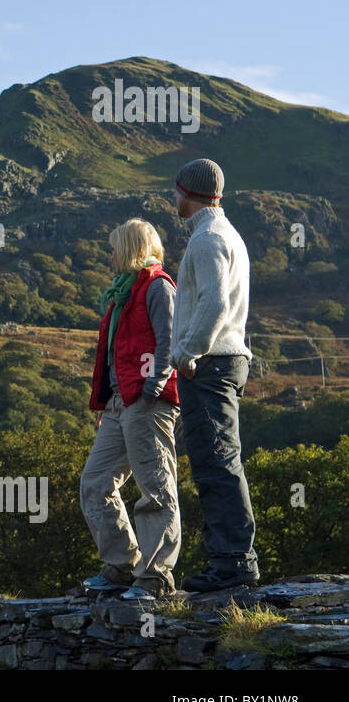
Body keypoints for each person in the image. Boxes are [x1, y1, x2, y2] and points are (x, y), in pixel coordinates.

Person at [80, 218, 182, 600]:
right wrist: (108, 402)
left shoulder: (157, 286)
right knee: (95, 483)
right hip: (120, 402)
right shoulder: (121, 292)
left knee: (156, 486)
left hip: (146, 400)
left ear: (130, 248)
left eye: (114, 248)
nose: (110, 255)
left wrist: (151, 388)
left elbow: (170, 340)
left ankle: (155, 576)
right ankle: (122, 565)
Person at [169, 158, 259, 591]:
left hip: (210, 364)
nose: (174, 197)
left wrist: (187, 353)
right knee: (219, 461)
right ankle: (231, 560)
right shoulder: (228, 234)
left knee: (215, 464)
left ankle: (234, 564)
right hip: (226, 361)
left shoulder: (206, 239)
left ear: (188, 192)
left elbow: (214, 305)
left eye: (176, 190)